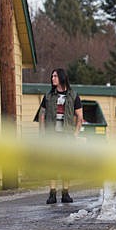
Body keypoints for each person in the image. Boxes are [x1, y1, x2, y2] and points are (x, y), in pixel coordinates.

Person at [39, 68, 83, 204]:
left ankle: (65, 193)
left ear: (62, 78)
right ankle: (52, 194)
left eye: (55, 76)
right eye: (52, 76)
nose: (52, 78)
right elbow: (42, 115)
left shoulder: (73, 95)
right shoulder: (48, 96)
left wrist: (75, 134)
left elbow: (80, 116)